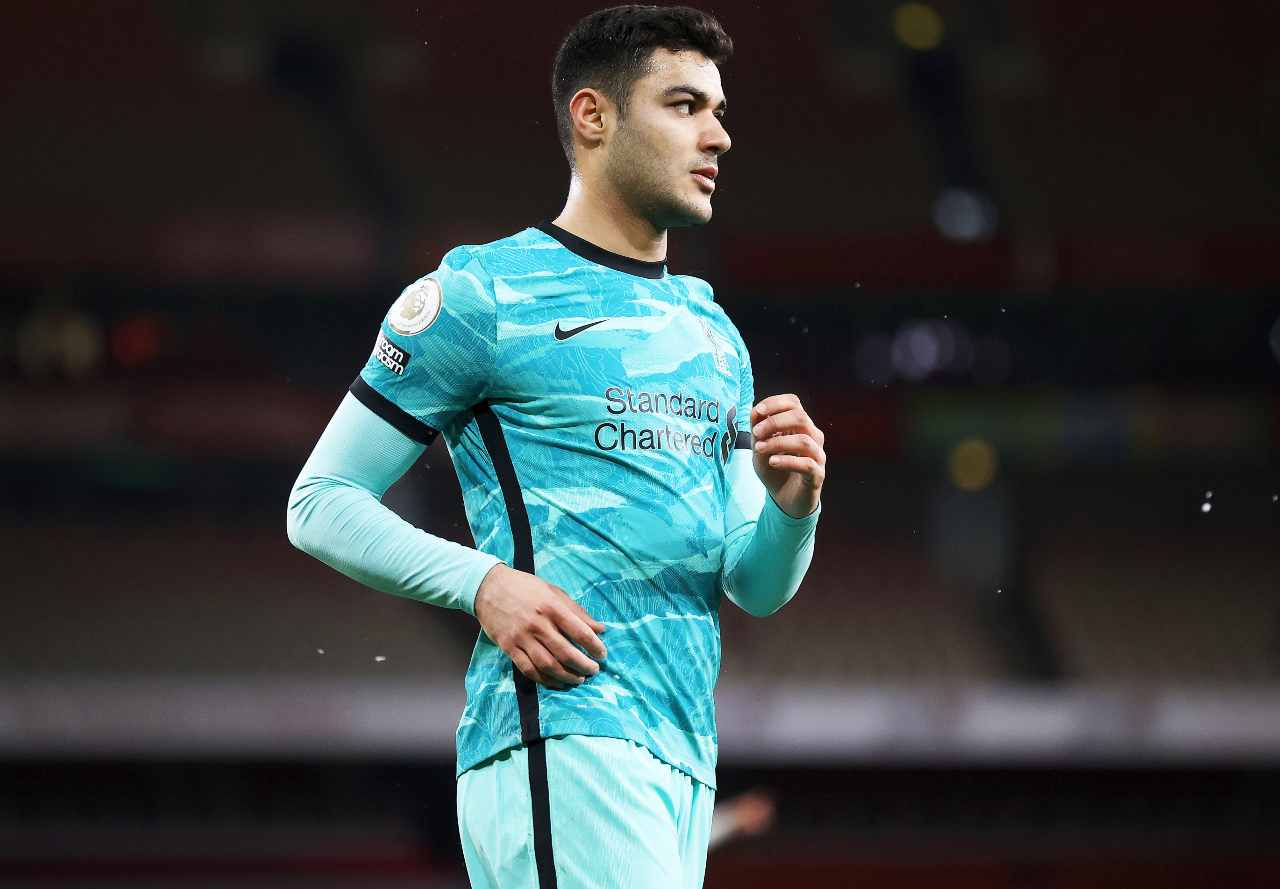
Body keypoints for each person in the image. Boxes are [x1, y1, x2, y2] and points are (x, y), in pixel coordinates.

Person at [287, 6, 824, 887]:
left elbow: (753, 585)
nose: (719, 135)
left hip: (684, 756)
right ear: (593, 115)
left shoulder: (713, 333)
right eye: (685, 105)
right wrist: (484, 584)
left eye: (720, 111)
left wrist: (793, 507)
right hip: (563, 734)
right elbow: (319, 501)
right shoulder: (484, 293)